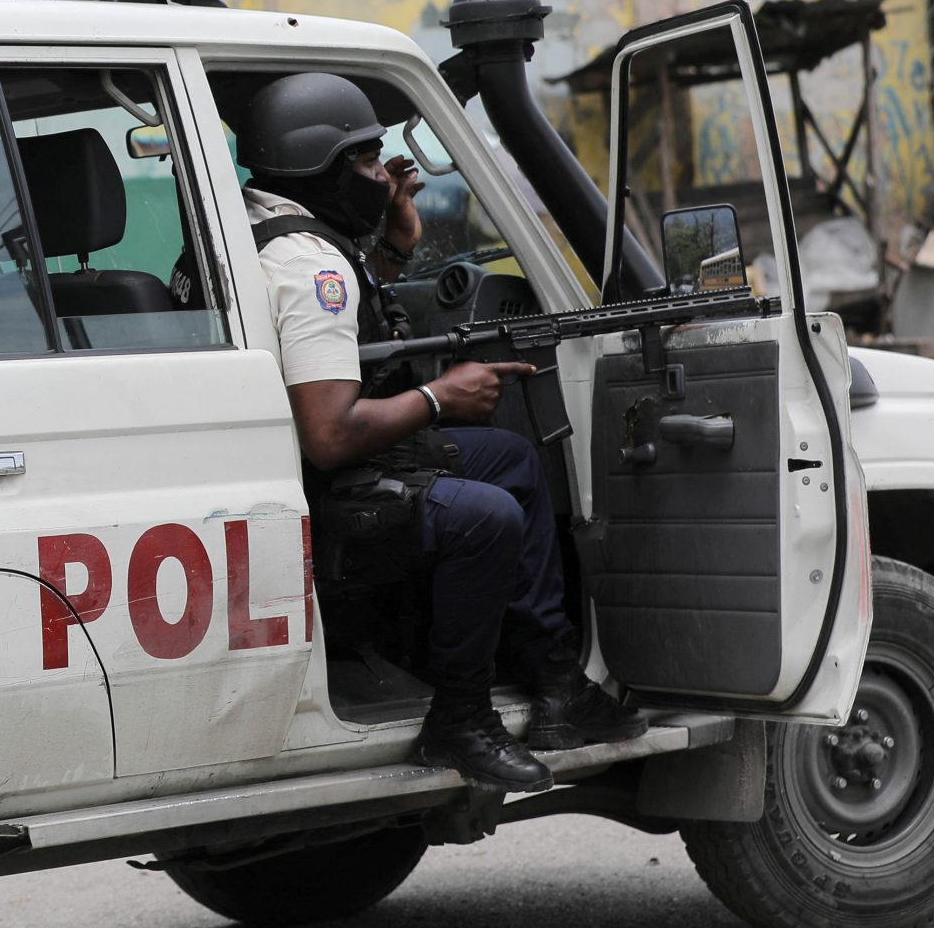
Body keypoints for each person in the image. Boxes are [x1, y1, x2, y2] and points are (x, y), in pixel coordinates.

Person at [237, 72, 646, 793]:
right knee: (482, 517)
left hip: (304, 471)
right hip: (329, 494)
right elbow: (331, 436)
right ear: (322, 169)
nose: (380, 176)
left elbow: (341, 332)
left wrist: (395, 245)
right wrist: (438, 396)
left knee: (512, 461)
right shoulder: (308, 265)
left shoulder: (259, 228)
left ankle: (555, 685)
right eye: (366, 163)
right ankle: (460, 718)